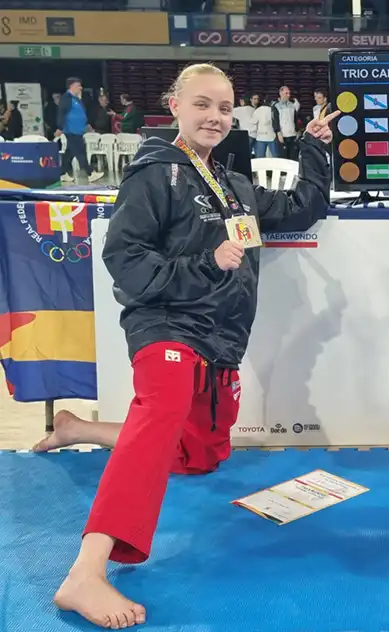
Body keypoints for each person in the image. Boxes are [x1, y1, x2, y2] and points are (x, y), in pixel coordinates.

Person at [48, 63, 340, 629]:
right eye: (203, 104)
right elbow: (125, 261)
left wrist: (312, 147)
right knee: (160, 412)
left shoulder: (233, 185)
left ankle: (77, 429)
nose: (215, 117)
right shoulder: (154, 173)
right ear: (174, 106)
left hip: (220, 339)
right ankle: (85, 573)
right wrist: (205, 265)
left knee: (199, 454)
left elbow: (303, 208)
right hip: (166, 325)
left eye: (225, 108)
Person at [56, 77, 104, 183]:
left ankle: (62, 173)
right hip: (71, 130)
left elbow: (81, 113)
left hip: (79, 130)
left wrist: (87, 124)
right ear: (71, 86)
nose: (81, 88)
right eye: (78, 86)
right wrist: (60, 127)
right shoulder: (66, 98)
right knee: (80, 151)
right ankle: (90, 173)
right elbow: (62, 113)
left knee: (70, 152)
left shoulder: (76, 99)